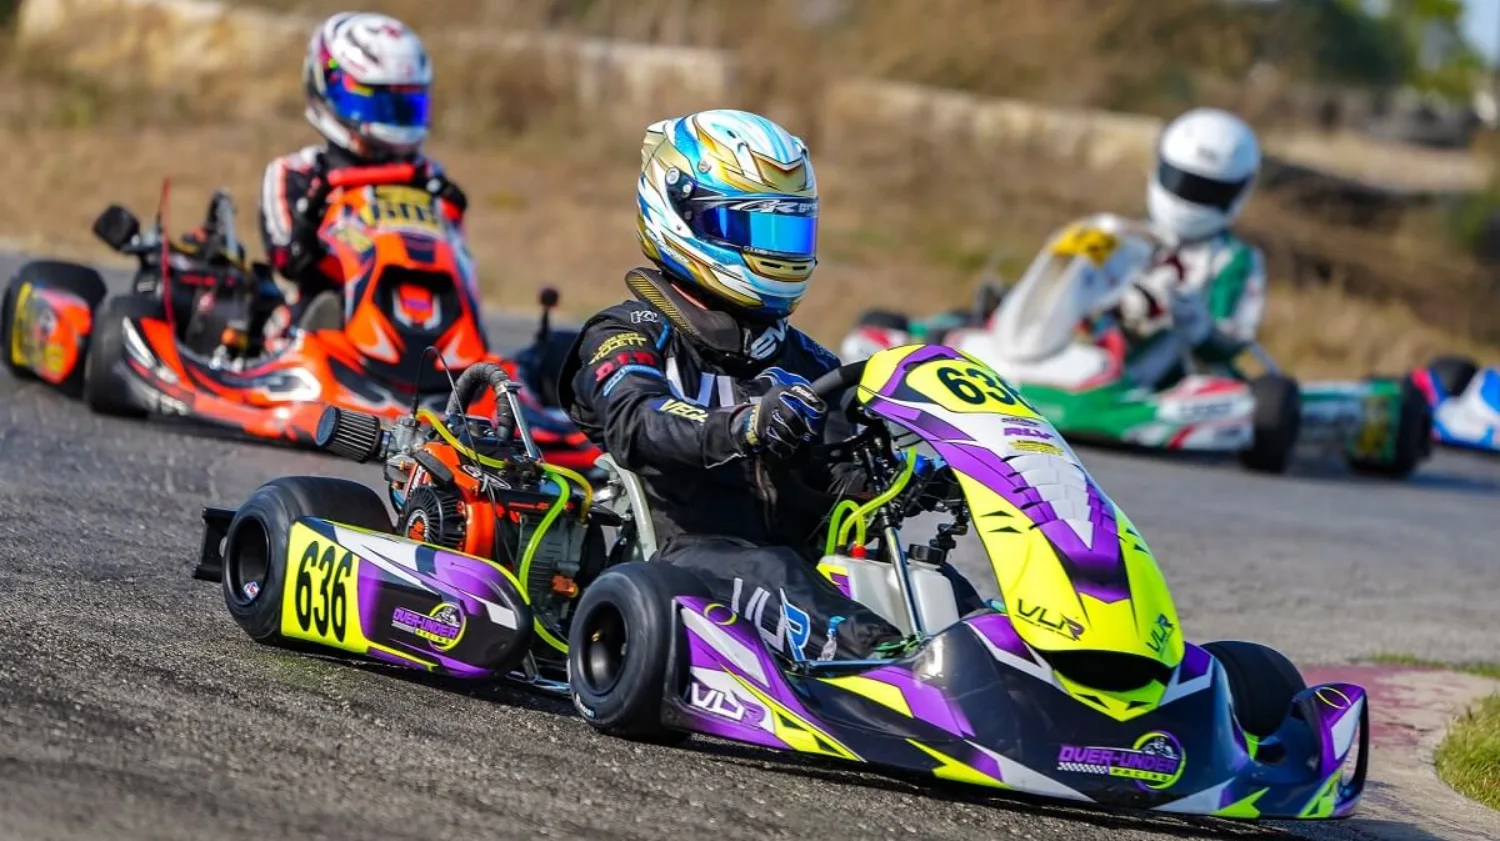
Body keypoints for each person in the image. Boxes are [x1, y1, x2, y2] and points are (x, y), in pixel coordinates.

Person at [559, 109, 976, 662]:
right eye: (758, 228)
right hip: (679, 562)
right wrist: (744, 426)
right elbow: (638, 423)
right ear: (685, 217)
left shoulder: (806, 360)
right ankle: (894, 678)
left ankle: (1030, 683)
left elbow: (838, 471)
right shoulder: (629, 333)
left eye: (790, 228)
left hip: (799, 563)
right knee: (773, 571)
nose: (779, 248)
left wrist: (916, 478)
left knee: (938, 589)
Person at [257, 12, 468, 320]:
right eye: (378, 103)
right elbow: (288, 260)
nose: (393, 119)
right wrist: (312, 221)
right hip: (327, 321)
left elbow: (454, 260)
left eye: (405, 105)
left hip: (417, 318)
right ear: (330, 87)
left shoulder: (431, 178)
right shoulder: (296, 174)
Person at [1116, 107, 1267, 376]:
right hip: (1110, 353)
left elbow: (1233, 341)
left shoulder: (1235, 260)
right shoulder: (1121, 234)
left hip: (1184, 379)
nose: (1188, 198)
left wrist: (1199, 329)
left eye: (1206, 189)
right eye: (1181, 181)